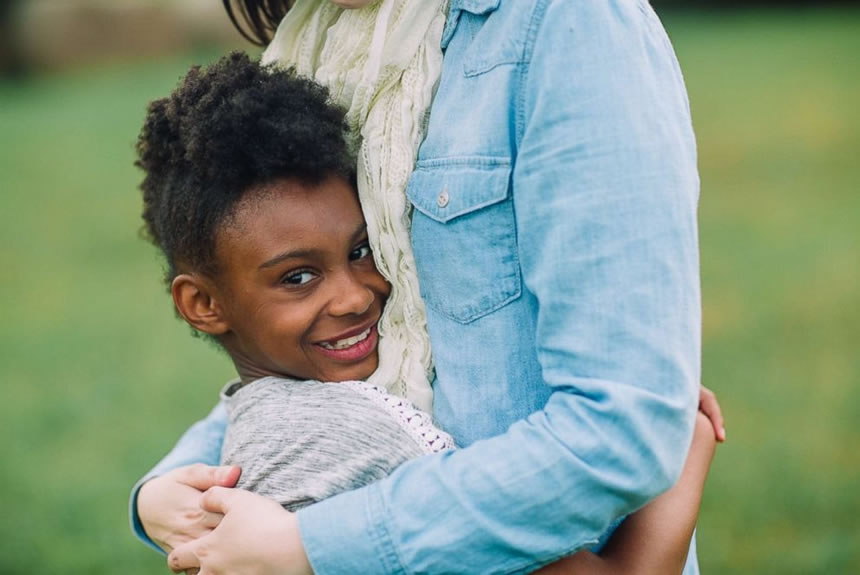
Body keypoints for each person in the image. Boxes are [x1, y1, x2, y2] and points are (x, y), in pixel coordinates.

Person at [133, 1, 722, 573]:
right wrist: (166, 489)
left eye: (362, 251)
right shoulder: (317, 40)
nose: (357, 295)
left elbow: (621, 424)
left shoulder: (566, 23)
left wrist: (315, 545)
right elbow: (285, 383)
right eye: (302, 275)